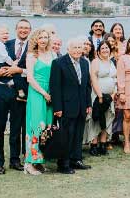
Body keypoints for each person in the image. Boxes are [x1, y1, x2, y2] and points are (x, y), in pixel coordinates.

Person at [0, 19, 32, 174]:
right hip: (0, 90)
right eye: (21, 27)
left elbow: (34, 72)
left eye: (26, 28)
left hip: (19, 92)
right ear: (16, 29)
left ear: (30, 30)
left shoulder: (32, 48)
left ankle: (15, 160)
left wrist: (19, 71)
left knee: (16, 128)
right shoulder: (2, 44)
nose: (23, 30)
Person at [49, 36, 92, 174]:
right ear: (68, 49)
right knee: (66, 136)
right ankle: (64, 164)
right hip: (66, 107)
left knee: (78, 135)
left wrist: (88, 104)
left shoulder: (85, 63)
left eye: (80, 47)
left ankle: (76, 160)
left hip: (81, 106)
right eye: (74, 47)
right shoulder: (58, 63)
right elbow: (55, 87)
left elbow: (87, 86)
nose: (77, 50)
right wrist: (58, 108)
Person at [23, 29, 54, 175]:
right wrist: (44, 93)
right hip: (37, 93)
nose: (43, 40)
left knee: (46, 126)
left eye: (46, 37)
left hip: (50, 92)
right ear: (35, 39)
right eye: (40, 37)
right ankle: (29, 162)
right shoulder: (32, 55)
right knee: (35, 126)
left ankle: (39, 161)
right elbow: (30, 78)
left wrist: (51, 93)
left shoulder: (51, 54)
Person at [85, 40, 117, 157]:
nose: (105, 50)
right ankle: (94, 145)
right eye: (102, 48)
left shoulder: (111, 62)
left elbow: (115, 79)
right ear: (98, 51)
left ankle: (103, 144)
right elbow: (93, 79)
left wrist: (114, 94)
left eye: (107, 48)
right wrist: (99, 95)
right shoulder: (95, 62)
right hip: (98, 95)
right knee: (96, 118)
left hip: (110, 97)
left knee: (107, 118)